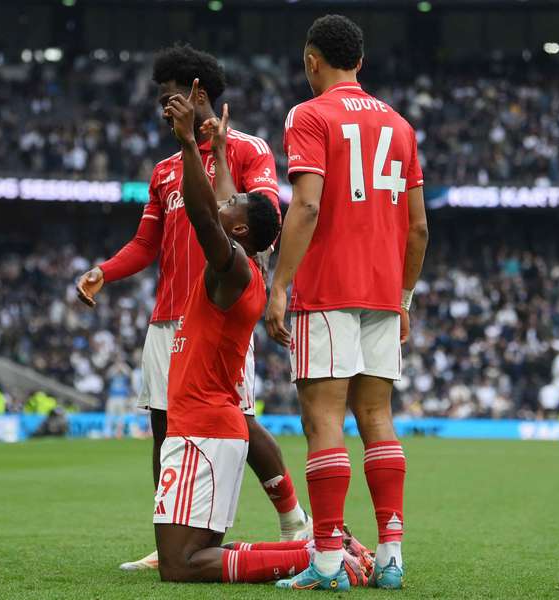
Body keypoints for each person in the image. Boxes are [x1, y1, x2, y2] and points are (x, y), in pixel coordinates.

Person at [76, 44, 311, 571]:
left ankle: (294, 519)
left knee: (240, 423)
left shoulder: (246, 150)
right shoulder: (164, 170)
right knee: (165, 433)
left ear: (197, 93)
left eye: (169, 97)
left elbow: (261, 222)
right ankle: (170, 537)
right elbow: (145, 243)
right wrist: (104, 271)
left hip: (219, 313)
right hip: (167, 319)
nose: (162, 108)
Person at [264, 15, 428, 591]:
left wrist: (279, 283)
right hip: (384, 293)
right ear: (360, 60)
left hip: (329, 289)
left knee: (323, 419)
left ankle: (329, 563)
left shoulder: (308, 115)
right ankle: (390, 558)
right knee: (378, 417)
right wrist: (403, 297)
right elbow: (418, 230)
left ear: (313, 60)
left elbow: (305, 207)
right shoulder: (401, 126)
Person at [152, 84, 330, 585]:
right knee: (192, 556)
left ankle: (312, 558)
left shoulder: (230, 269)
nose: (227, 202)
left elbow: (204, 213)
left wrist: (190, 144)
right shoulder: (245, 267)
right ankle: (313, 550)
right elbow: (226, 208)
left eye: (236, 207)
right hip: (212, 428)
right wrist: (223, 151)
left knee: (179, 566)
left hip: (202, 430)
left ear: (240, 232)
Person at [104, 358, 132, 438]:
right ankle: (107, 432)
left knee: (121, 416)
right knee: (109, 415)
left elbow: (129, 374)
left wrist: (122, 367)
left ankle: (119, 433)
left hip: (122, 397)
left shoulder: (125, 370)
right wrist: (116, 368)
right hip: (112, 396)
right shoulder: (112, 370)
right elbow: (108, 375)